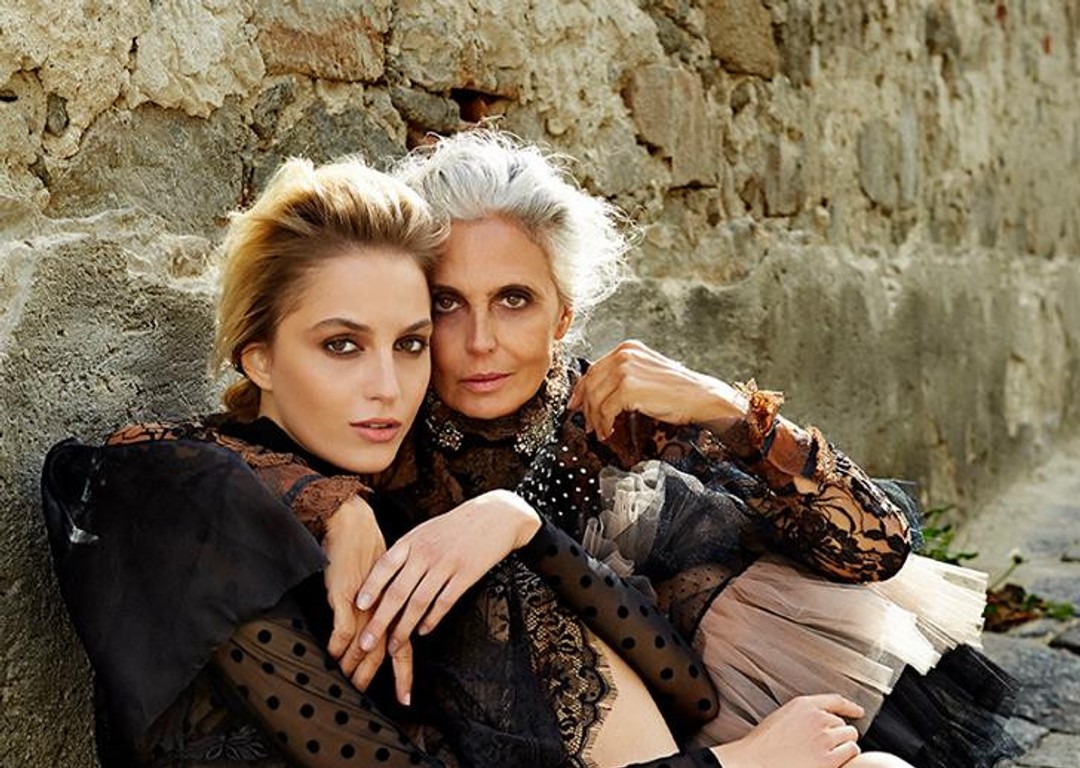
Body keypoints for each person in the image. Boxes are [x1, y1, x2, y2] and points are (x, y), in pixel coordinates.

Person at [333, 129, 1020, 768]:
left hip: (755, 711)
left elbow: (878, 548)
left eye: (514, 300)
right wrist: (338, 505)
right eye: (448, 303)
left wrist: (732, 411)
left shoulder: (623, 416)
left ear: (563, 315)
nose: (481, 341)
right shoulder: (382, 433)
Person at [39, 155, 734, 768]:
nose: (388, 387)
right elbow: (99, 465)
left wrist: (519, 523)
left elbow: (689, 690)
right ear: (259, 359)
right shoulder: (193, 498)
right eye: (342, 345)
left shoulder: (409, 516)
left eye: (409, 344)